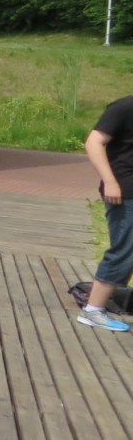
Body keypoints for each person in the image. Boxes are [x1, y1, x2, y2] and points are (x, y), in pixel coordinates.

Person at [79, 96, 133, 332]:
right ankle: (93, 310)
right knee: (125, 250)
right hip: (124, 190)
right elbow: (94, 142)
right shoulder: (125, 107)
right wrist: (110, 182)